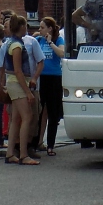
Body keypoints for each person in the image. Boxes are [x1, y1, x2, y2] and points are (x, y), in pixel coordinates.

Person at [2, 15, 39, 166]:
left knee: (16, 119)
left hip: (13, 82)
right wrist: (28, 92)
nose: (27, 29)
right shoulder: (16, 45)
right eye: (26, 26)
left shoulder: (10, 42)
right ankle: (23, 154)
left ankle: (11, 152)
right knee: (27, 117)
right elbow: (18, 71)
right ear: (22, 27)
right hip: (17, 83)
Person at [37, 16, 64, 156]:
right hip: (42, 77)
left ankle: (50, 145)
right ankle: (37, 141)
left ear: (50, 29)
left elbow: (61, 53)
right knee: (40, 110)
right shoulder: (38, 40)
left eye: (42, 27)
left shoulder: (58, 40)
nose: (39, 30)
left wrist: (50, 43)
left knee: (53, 112)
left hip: (54, 78)